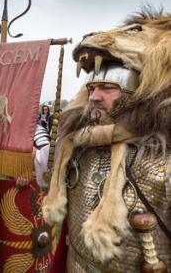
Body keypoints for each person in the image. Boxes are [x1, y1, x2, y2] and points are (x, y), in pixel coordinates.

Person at [41, 39, 171, 270]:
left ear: (136, 94)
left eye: (108, 88)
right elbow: (42, 168)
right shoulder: (78, 148)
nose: (94, 97)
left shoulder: (163, 159)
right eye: (91, 89)